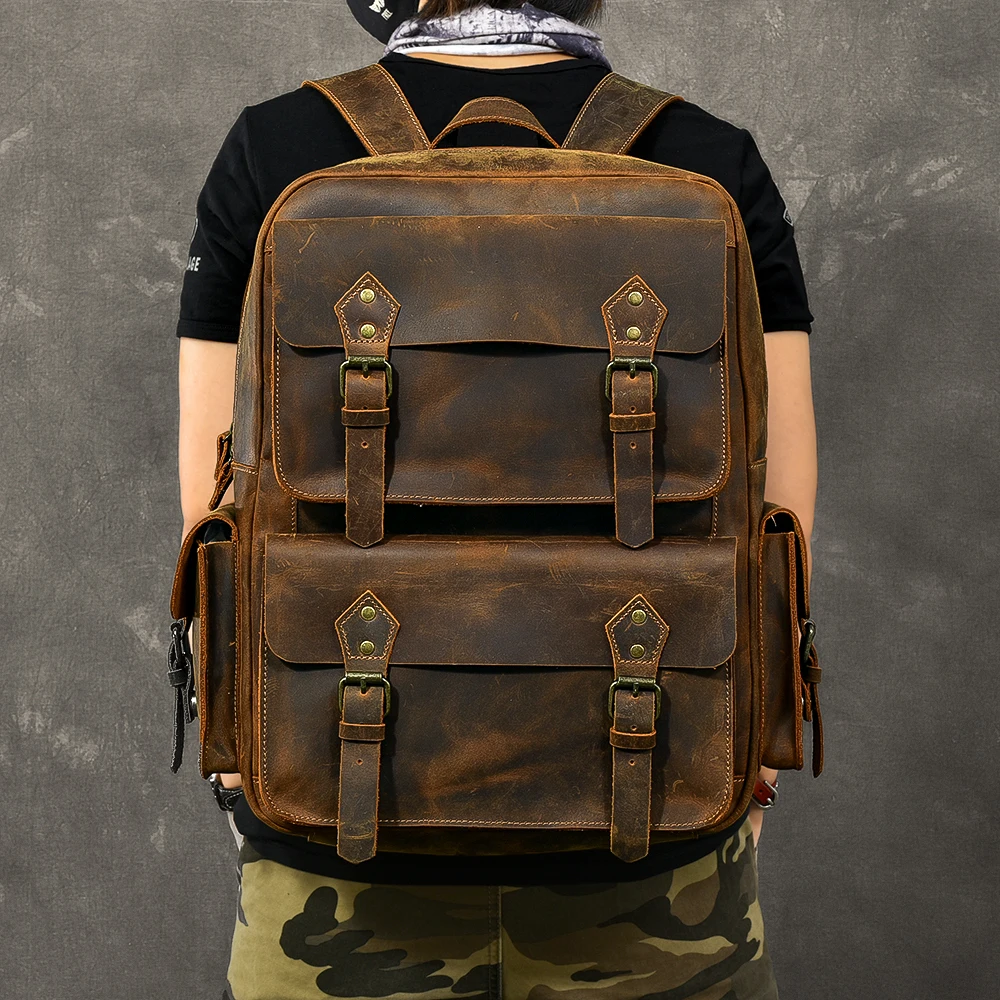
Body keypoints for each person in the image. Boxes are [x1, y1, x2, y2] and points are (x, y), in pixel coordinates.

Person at [176, 2, 818, 997]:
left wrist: (241, 752)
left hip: (331, 850)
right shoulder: (709, 159)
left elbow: (215, 496)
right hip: (661, 847)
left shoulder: (275, 150)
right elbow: (777, 502)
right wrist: (748, 760)